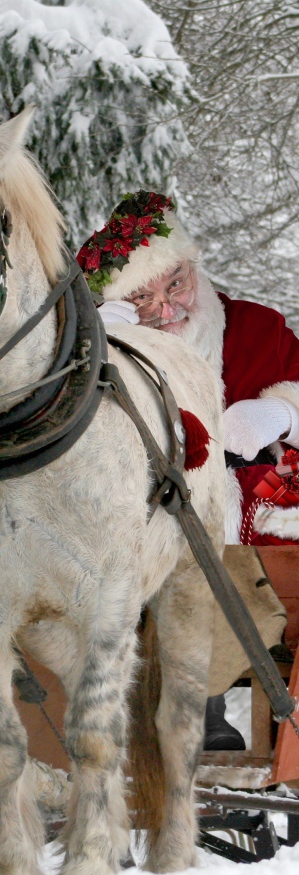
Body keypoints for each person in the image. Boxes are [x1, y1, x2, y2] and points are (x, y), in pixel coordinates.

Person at [77, 191, 299, 749]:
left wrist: (280, 412)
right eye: (143, 298)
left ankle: (233, 715)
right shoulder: (101, 343)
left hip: (248, 525)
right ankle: (184, 708)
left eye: (175, 284)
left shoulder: (257, 329)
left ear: (191, 266)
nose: (167, 307)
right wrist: (104, 343)